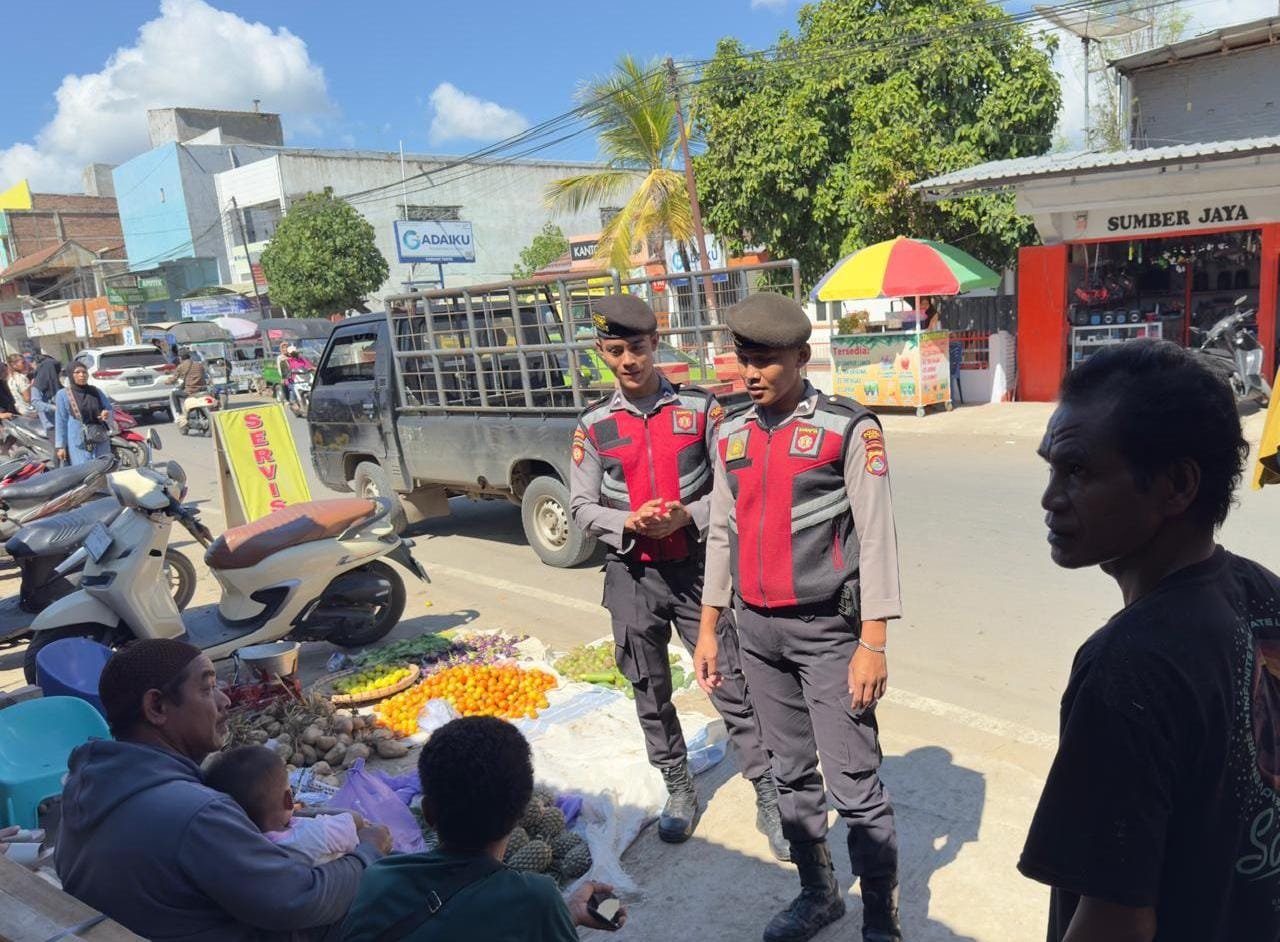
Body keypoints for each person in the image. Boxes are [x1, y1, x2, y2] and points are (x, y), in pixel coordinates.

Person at [1020, 339, 1277, 942]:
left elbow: (1116, 924)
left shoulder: (1128, 668)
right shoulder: (1264, 593)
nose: (1050, 498)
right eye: (1051, 468)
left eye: (1077, 471)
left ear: (1176, 486)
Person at [695, 292, 904, 942]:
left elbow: (877, 536)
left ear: (801, 358)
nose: (751, 373)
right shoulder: (730, 433)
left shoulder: (848, 429)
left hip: (828, 635)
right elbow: (722, 533)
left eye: (766, 360)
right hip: (757, 634)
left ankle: (881, 918)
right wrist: (709, 627)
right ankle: (819, 894)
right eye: (744, 359)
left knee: (853, 781)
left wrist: (873, 641)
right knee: (787, 772)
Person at [567, 294, 784, 857]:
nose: (628, 361)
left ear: (655, 344)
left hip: (696, 571)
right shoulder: (594, 425)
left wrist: (688, 515)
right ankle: (679, 787)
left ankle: (768, 793)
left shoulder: (701, 410)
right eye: (615, 350)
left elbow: (731, 488)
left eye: (637, 348)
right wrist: (627, 521)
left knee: (729, 680)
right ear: (602, 353)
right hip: (631, 574)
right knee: (649, 687)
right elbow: (581, 507)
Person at [57, 639, 390, 942]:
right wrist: (368, 852)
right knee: (397, 898)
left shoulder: (86, 785)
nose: (225, 700)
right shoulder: (195, 813)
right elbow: (301, 900)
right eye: (207, 688)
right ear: (157, 707)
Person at [343, 716, 624, 941]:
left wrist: (568, 913)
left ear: (428, 812)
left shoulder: (378, 879)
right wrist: (560, 916)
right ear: (520, 815)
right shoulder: (535, 900)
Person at [206, 745, 361, 865]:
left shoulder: (243, 853)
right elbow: (354, 822)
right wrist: (307, 812)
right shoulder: (311, 833)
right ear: (288, 800)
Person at [55, 362, 112, 466]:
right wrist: (61, 446)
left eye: (84, 372)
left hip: (99, 437)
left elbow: (108, 408)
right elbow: (60, 421)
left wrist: (106, 413)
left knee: (104, 468)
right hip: (79, 441)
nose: (82, 375)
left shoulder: (95, 391)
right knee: (84, 470)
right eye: (77, 372)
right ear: (70, 375)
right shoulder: (63, 394)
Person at [167, 350, 208, 419]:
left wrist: (167, 381)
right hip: (203, 389)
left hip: (191, 391)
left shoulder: (181, 366)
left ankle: (180, 415)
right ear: (189, 356)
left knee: (174, 394)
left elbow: (174, 379)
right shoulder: (199, 365)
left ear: (180, 358)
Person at [30, 352, 61, 438]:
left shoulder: (57, 384)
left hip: (63, 423)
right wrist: (54, 408)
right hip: (52, 426)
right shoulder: (38, 385)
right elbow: (36, 402)